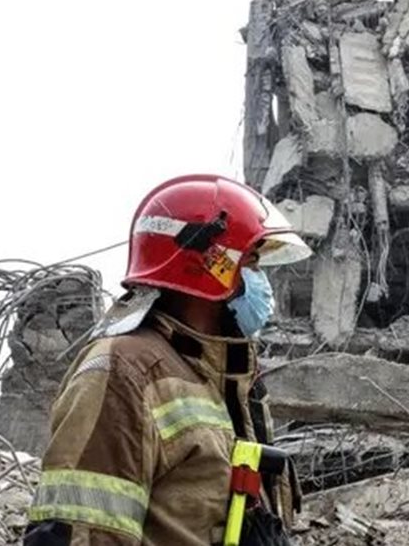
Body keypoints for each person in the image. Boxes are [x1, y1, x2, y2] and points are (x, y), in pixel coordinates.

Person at [23, 174, 311, 545]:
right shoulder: (124, 372)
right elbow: (83, 534)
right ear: (209, 265)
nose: (260, 282)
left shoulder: (230, 379)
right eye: (252, 264)